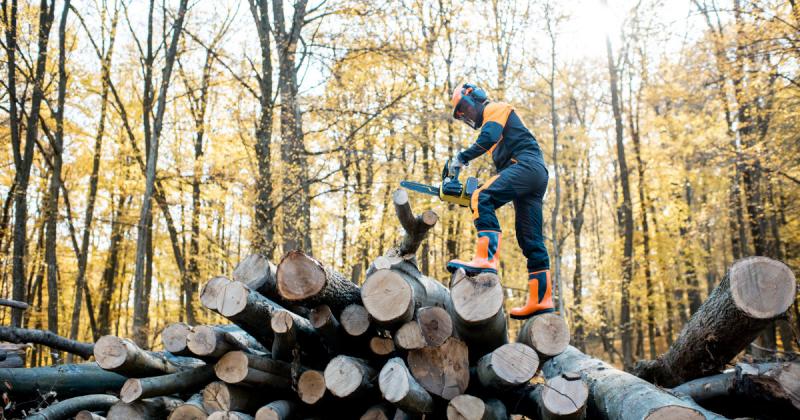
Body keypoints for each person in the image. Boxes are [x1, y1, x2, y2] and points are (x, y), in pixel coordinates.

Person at [446, 83, 553, 319]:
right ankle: (541, 299)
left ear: (477, 98)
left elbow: (488, 136)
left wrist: (460, 159)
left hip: (528, 166)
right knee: (530, 238)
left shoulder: (496, 108)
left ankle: (486, 259)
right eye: (461, 114)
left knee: (482, 196)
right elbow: (502, 174)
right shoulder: (497, 140)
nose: (466, 115)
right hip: (533, 175)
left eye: (465, 108)